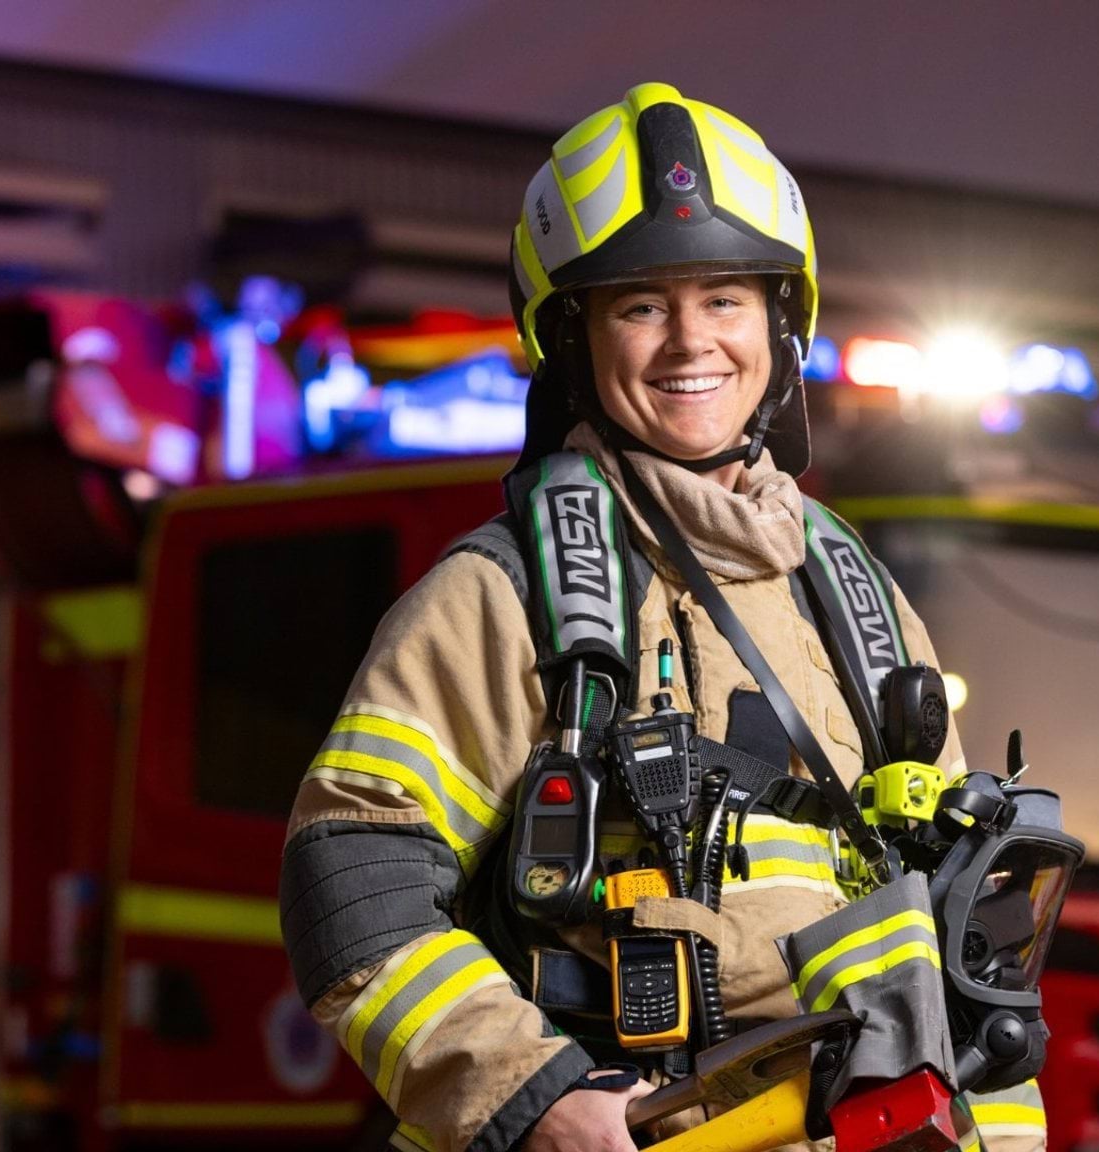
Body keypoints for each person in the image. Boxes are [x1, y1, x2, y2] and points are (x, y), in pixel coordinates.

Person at [279, 84, 1046, 1152]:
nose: (691, 342)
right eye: (640, 304)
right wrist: (533, 1096)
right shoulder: (506, 595)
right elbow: (353, 882)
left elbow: (957, 943)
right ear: (573, 338)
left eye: (725, 299)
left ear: (780, 327)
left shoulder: (858, 601)